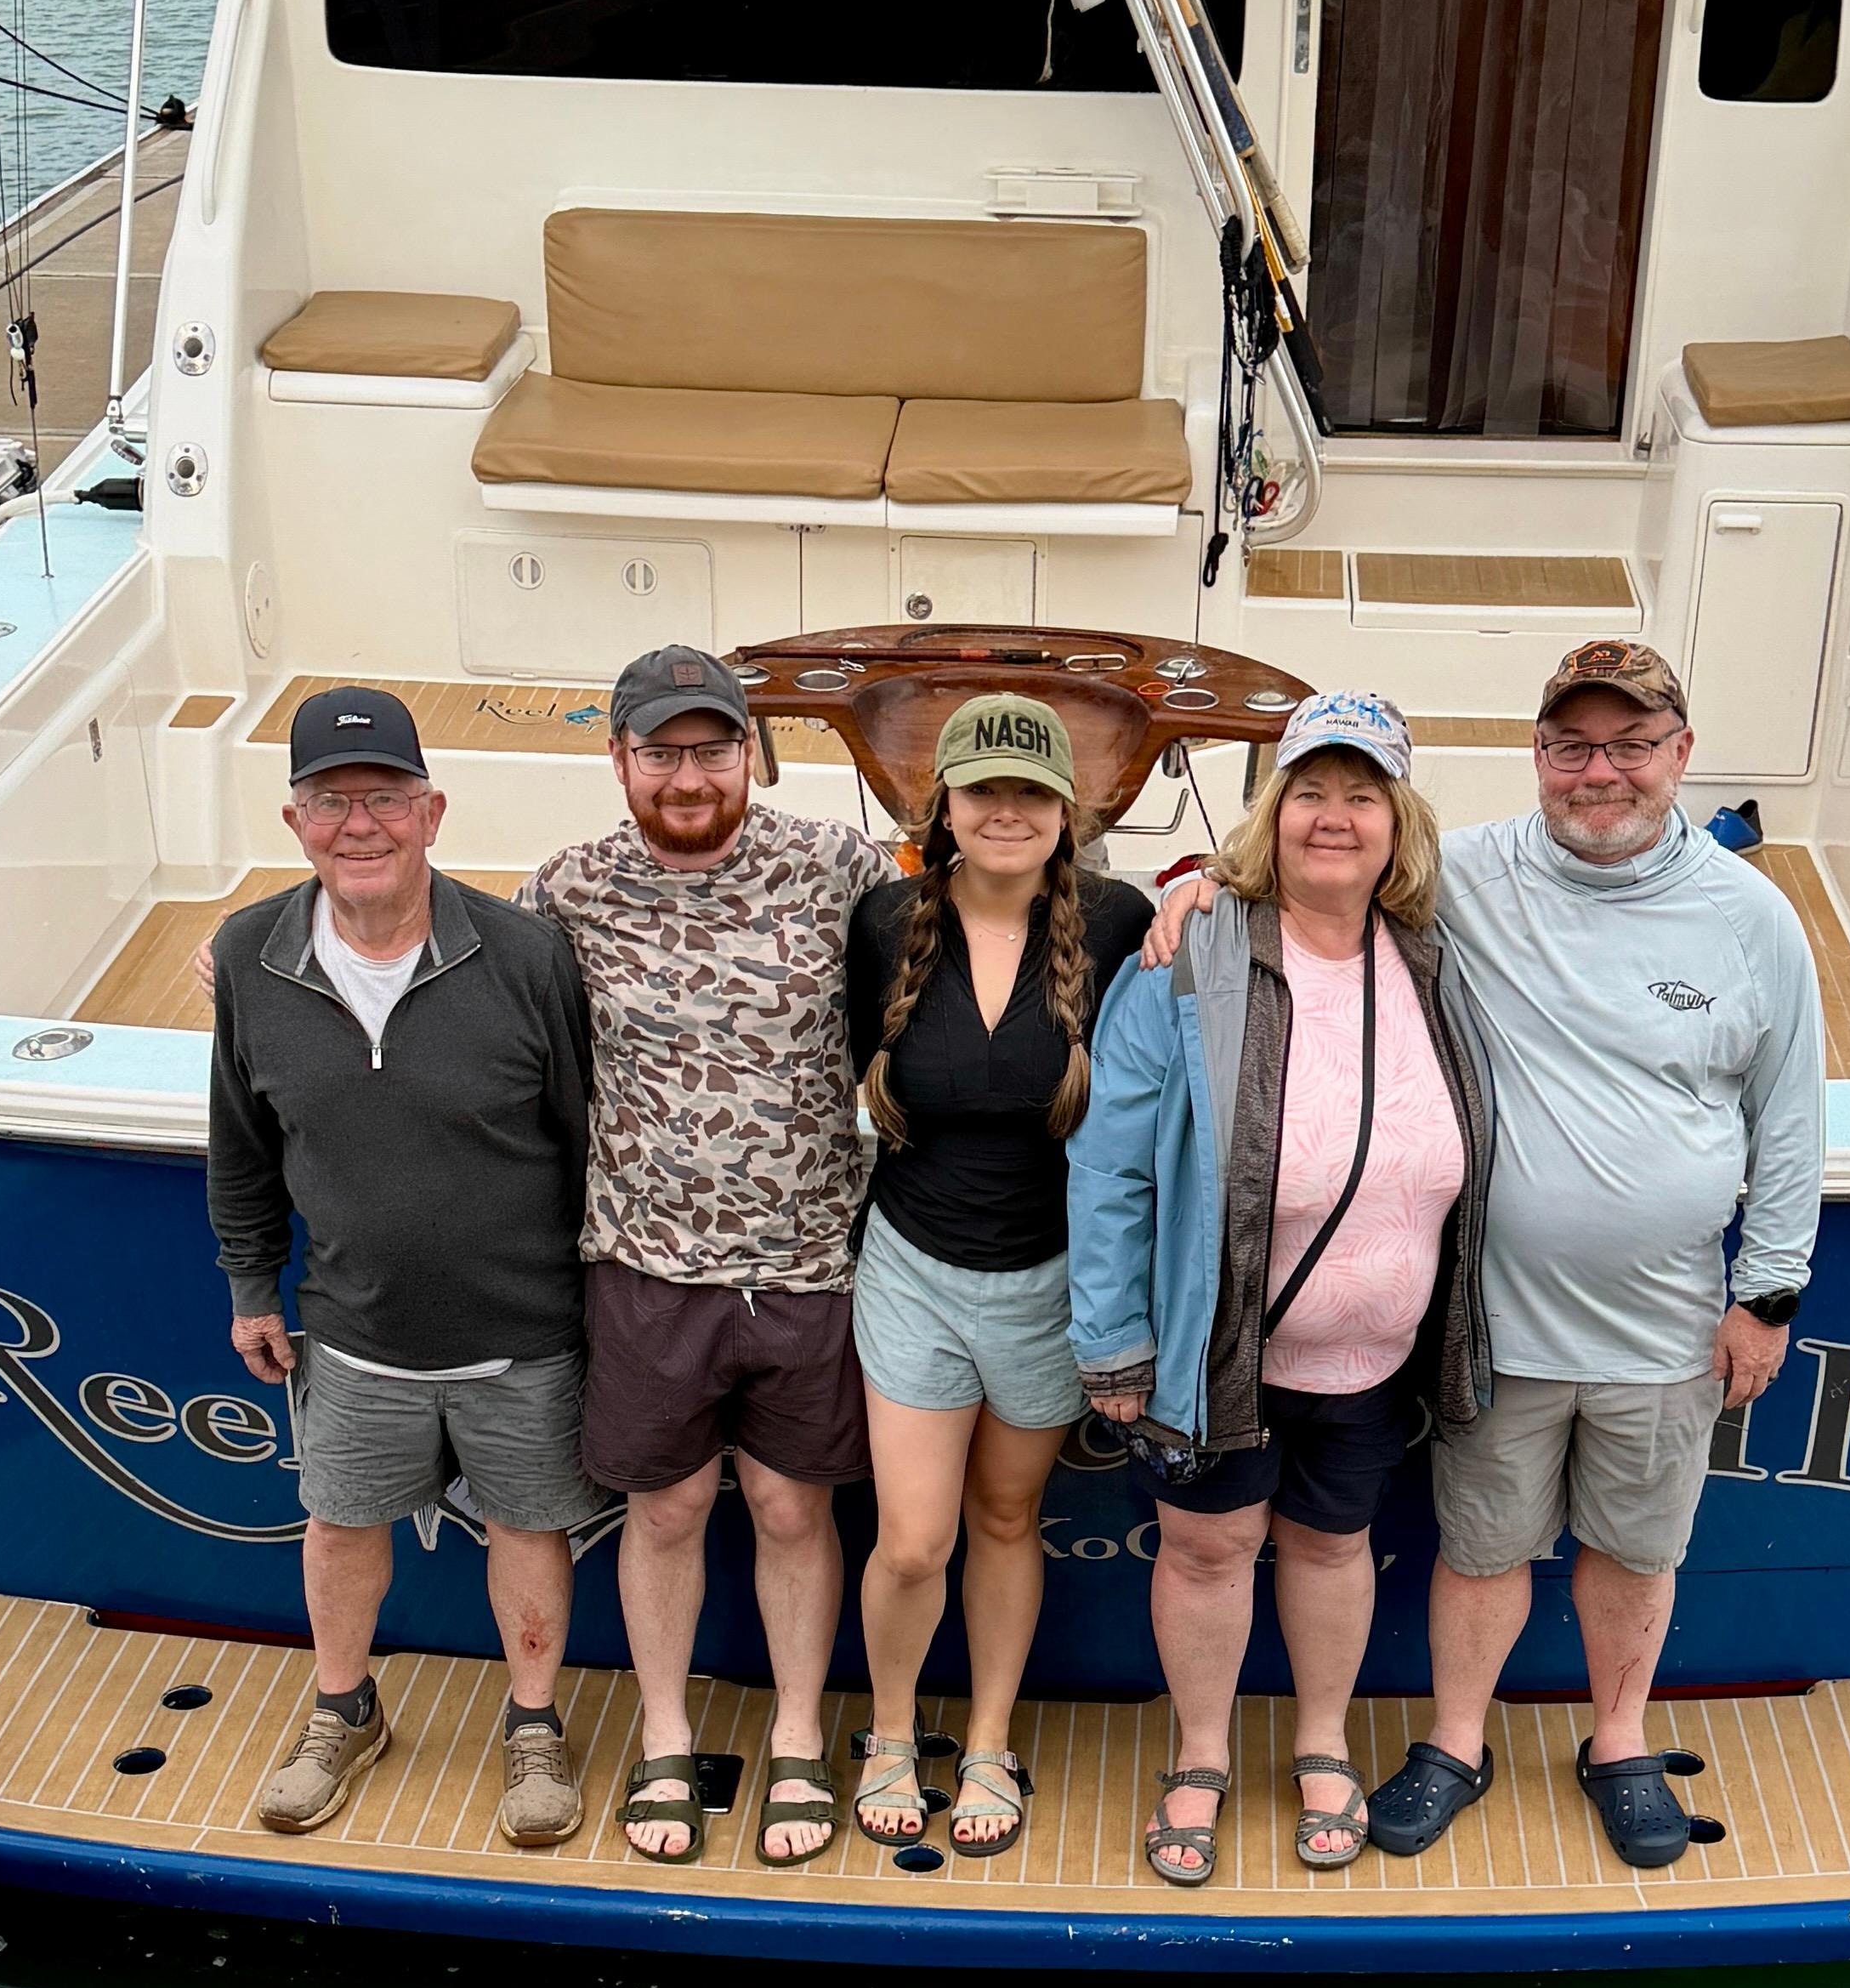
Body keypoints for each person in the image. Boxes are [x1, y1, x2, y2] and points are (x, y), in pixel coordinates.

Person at [1359, 633, 1823, 1866]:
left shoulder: (1753, 919)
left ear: (1681, 753)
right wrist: (1193, 889)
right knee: (1481, 1548)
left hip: (1668, 1325)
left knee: (1635, 1550)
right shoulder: (1460, 875)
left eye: (1630, 746)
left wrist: (1769, 1296)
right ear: (1537, 755)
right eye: (1573, 748)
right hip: (1497, 1318)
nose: (1600, 772)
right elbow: (1311, 869)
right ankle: (1456, 1741)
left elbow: (1789, 1120)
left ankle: (1618, 1740)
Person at [1070, 692, 1493, 1883]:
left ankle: (1321, 1744)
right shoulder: (1190, 957)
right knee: (1207, 1553)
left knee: (1331, 1548)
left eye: (1363, 795)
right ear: (1274, 814)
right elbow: (1109, 1165)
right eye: (1311, 791)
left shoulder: (1435, 955)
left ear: (1400, 823)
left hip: (1371, 1356)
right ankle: (1200, 1756)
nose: (1334, 817)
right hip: (1219, 1347)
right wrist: (1113, 1342)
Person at [208, 684, 604, 1846]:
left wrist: (599, 1302)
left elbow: (588, 1138)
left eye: (384, 798)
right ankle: (345, 1710)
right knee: (339, 1528)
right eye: (332, 802)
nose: (360, 825)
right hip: (352, 1330)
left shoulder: (527, 956)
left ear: (433, 812)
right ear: (295, 823)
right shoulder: (249, 957)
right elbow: (242, 1144)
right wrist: (250, 1286)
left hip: (524, 1334)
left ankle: (533, 1726)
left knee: (528, 1530)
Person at [521, 644, 891, 1871]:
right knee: (668, 1506)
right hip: (645, 1266)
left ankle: (798, 1737)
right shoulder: (566, 890)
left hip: (809, 1263)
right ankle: (667, 1736)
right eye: (661, 752)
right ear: (619, 759)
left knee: (792, 1506)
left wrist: (1181, 902)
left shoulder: (838, 865)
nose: (688, 777)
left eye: (712, 749)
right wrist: (264, 947)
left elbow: (992, 912)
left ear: (752, 752)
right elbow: (458, 979)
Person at [843, 693, 1152, 1860]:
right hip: (914, 1267)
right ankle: (888, 1733)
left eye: (1032, 792)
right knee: (914, 1539)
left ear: (1068, 811)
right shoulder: (886, 922)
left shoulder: (1120, 921)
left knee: (1008, 1515)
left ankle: (986, 1742)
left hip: (1053, 1280)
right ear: (946, 806)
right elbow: (854, 1058)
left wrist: (1200, 897)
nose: (1007, 812)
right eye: (985, 791)